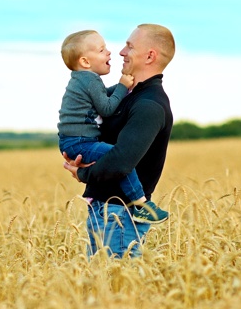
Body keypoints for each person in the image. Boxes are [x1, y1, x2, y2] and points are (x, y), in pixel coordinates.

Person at [62, 23, 176, 258]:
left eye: (129, 46)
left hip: (120, 215)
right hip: (106, 210)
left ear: (150, 56)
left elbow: (121, 162)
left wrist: (81, 174)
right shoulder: (129, 95)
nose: (121, 52)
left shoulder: (149, 105)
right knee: (104, 286)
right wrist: (80, 154)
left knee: (117, 285)